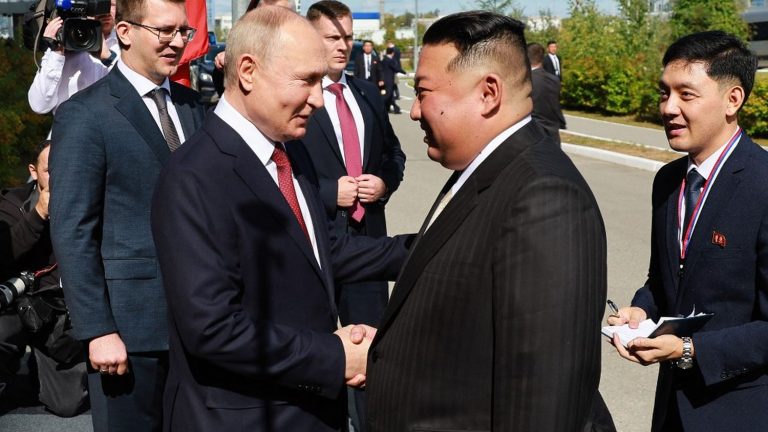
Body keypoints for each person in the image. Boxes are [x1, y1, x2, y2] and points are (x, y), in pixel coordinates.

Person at [150, 7, 411, 432]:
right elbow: (213, 329)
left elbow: (323, 252)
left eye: (321, 82)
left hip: (308, 408)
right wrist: (335, 356)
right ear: (248, 71)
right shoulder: (194, 177)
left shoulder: (290, 151)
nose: (319, 98)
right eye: (307, 81)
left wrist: (428, 248)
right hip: (243, 418)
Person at [365, 11, 610, 431]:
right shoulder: (482, 169)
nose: (414, 112)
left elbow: (541, 404)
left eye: (424, 93)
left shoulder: (545, 197)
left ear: (488, 93)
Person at [49, 0, 206, 430]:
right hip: (129, 332)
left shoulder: (196, 108)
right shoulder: (85, 114)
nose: (177, 41)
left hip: (202, 326)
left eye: (183, 31)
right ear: (124, 31)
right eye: (164, 31)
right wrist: (97, 329)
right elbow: (72, 229)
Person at [607, 31, 768, 432]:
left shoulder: (762, 186)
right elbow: (663, 280)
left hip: (741, 413)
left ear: (734, 99)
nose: (669, 108)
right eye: (664, 93)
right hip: (670, 412)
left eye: (686, 95)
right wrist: (641, 309)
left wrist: (689, 349)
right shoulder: (667, 182)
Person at [296, 2, 406, 430]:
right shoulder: (297, 94)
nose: (343, 46)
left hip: (367, 244)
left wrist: (383, 182)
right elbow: (274, 166)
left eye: (346, 37)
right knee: (318, 352)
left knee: (371, 353)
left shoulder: (366, 93)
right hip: (315, 245)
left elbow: (393, 154)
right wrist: (327, 193)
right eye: (332, 38)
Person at [0, 141, 87, 417]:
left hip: (57, 313)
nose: (58, 176)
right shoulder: (12, 203)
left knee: (67, 404)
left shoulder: (88, 204)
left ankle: (38, 373)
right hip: (16, 306)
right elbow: (4, 254)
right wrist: (38, 214)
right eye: (50, 170)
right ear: (34, 171)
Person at [28, 0, 120, 115]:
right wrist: (56, 52)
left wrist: (109, 58)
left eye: (110, 4)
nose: (105, 11)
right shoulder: (63, 43)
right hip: (69, 130)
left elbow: (137, 94)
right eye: (99, 3)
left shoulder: (128, 44)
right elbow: (39, 106)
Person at [528, 42, 566, 145]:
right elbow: (555, 104)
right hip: (553, 133)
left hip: (533, 134)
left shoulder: (526, 80)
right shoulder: (554, 80)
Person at [380, 47, 406, 114]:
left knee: (390, 95)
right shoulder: (390, 60)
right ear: (393, 53)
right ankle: (380, 106)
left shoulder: (384, 59)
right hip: (389, 80)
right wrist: (404, 72)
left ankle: (393, 109)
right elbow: (396, 68)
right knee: (388, 95)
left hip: (384, 80)